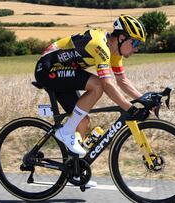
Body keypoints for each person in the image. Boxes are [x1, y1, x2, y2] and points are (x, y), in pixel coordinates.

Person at [34, 15, 147, 187]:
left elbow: (122, 81)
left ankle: (75, 172)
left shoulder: (114, 53)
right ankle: (65, 132)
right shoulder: (100, 45)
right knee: (97, 85)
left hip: (63, 71)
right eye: (136, 43)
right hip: (48, 67)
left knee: (83, 122)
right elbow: (107, 84)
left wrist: (144, 100)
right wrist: (130, 108)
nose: (137, 49)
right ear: (122, 37)